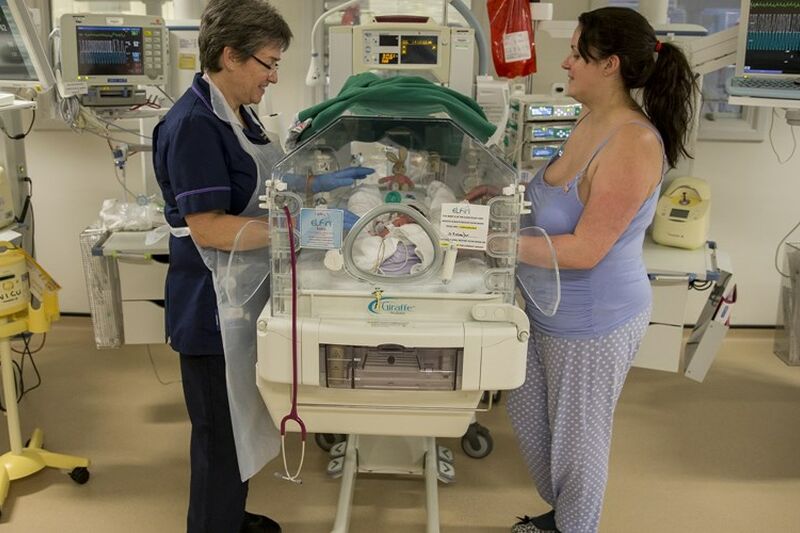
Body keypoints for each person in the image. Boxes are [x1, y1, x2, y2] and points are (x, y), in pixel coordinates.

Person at [152, 1, 371, 532]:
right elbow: (208, 226)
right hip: (211, 305)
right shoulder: (194, 126)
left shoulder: (238, 112)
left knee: (239, 422)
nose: (274, 76)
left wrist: (316, 187)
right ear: (230, 55)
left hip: (243, 293)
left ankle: (230, 516)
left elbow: (260, 187)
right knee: (218, 436)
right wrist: (301, 232)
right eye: (268, 64)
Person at [507, 7, 698, 533]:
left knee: (578, 444)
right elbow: (553, 198)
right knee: (529, 419)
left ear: (610, 63)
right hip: (547, 309)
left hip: (592, 321)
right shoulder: (590, 120)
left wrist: (498, 242)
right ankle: (563, 512)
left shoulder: (633, 143)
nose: (565, 61)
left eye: (575, 52)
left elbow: (586, 249)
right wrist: (505, 199)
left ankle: (575, 526)